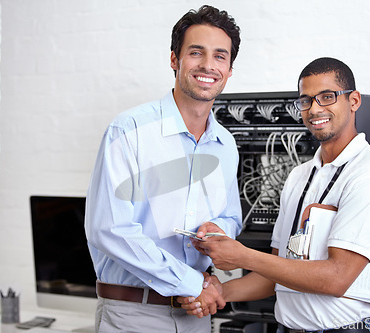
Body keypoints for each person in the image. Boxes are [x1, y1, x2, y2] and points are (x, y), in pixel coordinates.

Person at [180, 57, 370, 333]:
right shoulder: (300, 176)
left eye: (327, 97)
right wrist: (220, 292)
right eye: (306, 100)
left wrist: (243, 256)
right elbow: (276, 273)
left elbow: (337, 278)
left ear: (354, 100)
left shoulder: (368, 177)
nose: (314, 109)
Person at [84, 5, 242, 332]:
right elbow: (108, 228)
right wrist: (191, 282)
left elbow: (232, 217)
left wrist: (217, 229)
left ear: (229, 70)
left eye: (220, 56)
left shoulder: (226, 145)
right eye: (196, 52)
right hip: (132, 315)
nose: (208, 65)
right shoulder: (128, 131)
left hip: (196, 314)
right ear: (175, 60)